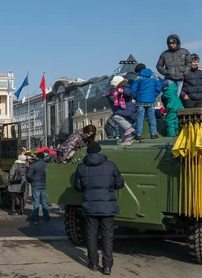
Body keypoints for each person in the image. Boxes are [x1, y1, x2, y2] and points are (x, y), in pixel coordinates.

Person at [74, 142, 125, 275]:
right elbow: (119, 184)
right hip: (108, 207)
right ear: (100, 151)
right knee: (108, 237)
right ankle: (107, 266)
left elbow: (78, 187)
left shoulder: (81, 168)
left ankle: (93, 264)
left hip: (90, 206)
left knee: (91, 236)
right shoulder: (110, 165)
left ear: (88, 152)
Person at [132, 65, 162, 140]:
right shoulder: (154, 76)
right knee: (152, 117)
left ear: (138, 71)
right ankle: (153, 134)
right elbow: (159, 87)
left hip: (140, 100)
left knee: (140, 118)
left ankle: (138, 134)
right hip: (151, 100)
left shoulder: (138, 77)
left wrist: (136, 97)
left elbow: (133, 89)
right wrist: (153, 95)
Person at [105, 76, 136, 146]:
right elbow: (116, 95)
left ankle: (129, 127)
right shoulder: (119, 89)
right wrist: (108, 94)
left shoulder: (126, 87)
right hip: (123, 108)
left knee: (116, 117)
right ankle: (126, 140)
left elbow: (129, 93)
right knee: (121, 126)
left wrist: (122, 90)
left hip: (127, 108)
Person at [27, 152, 49, 222]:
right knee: (44, 201)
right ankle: (46, 216)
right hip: (45, 184)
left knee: (36, 200)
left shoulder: (33, 165)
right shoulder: (47, 165)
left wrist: (32, 181)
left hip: (36, 184)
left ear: (37, 157)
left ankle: (35, 216)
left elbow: (29, 175)